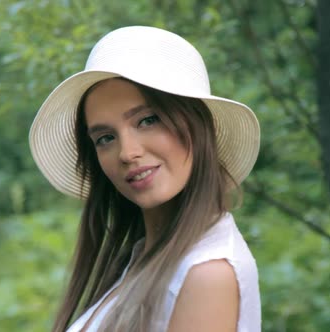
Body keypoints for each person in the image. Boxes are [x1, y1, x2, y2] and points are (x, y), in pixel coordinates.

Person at [29, 26, 261, 332]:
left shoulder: (207, 273)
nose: (127, 152)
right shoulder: (142, 258)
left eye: (148, 120)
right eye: (105, 138)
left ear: (196, 123)